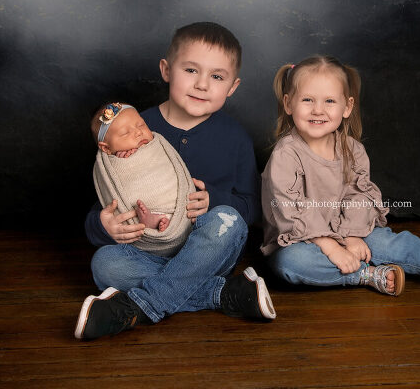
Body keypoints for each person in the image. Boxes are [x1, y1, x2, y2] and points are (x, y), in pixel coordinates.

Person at [75, 22, 276, 341]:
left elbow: (252, 209)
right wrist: (104, 225)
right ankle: (223, 295)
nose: (202, 85)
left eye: (217, 76)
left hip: (210, 250)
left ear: (232, 87)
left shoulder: (235, 137)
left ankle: (135, 308)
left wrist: (216, 198)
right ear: (166, 70)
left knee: (228, 219)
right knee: (105, 264)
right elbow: (100, 205)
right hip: (150, 252)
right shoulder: (134, 128)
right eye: (191, 70)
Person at [260, 55, 420, 300]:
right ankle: (365, 274)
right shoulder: (286, 154)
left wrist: (352, 236)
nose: (318, 110)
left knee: (392, 243)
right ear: (289, 104)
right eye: (308, 100)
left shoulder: (352, 150)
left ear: (347, 107)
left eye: (329, 101)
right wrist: (331, 247)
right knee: (289, 263)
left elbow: (360, 194)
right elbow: (289, 208)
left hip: (347, 228)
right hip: (303, 238)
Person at [91, 102, 194, 251]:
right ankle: (153, 220)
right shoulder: (110, 163)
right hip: (140, 231)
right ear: (106, 148)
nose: (138, 133)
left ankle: (163, 219)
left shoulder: (157, 143)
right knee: (103, 260)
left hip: (181, 214)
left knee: (223, 219)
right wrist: (122, 163)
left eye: (141, 125)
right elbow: (115, 189)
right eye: (125, 133)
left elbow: (168, 169)